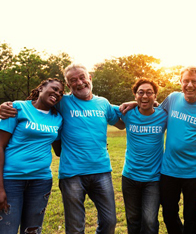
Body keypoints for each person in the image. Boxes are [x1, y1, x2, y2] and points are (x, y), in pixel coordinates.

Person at [0, 63, 124, 234]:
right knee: (74, 227)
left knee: (110, 221)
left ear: (90, 78)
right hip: (71, 174)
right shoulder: (62, 102)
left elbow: (122, 121)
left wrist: (140, 103)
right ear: (68, 86)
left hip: (100, 170)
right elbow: (37, 104)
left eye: (82, 77)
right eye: (73, 80)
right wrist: (4, 107)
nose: (79, 82)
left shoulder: (103, 103)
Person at [120, 66, 196, 234]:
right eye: (186, 81)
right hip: (168, 171)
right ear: (180, 82)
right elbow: (155, 108)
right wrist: (135, 102)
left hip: (194, 172)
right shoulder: (173, 98)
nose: (189, 85)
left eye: (194, 82)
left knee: (191, 216)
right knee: (168, 215)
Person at [0, 78, 64, 234]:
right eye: (54, 89)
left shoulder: (57, 118)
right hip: (11, 180)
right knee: (7, 229)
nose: (57, 93)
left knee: (32, 231)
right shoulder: (17, 108)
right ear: (41, 87)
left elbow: (59, 150)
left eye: (61, 93)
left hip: (40, 182)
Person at [114, 77, 167, 234]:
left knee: (150, 220)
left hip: (154, 179)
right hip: (130, 177)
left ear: (155, 96)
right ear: (135, 95)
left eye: (149, 93)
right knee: (133, 219)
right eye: (140, 93)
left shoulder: (163, 115)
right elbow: (106, 110)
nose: (145, 96)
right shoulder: (127, 113)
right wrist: (132, 104)